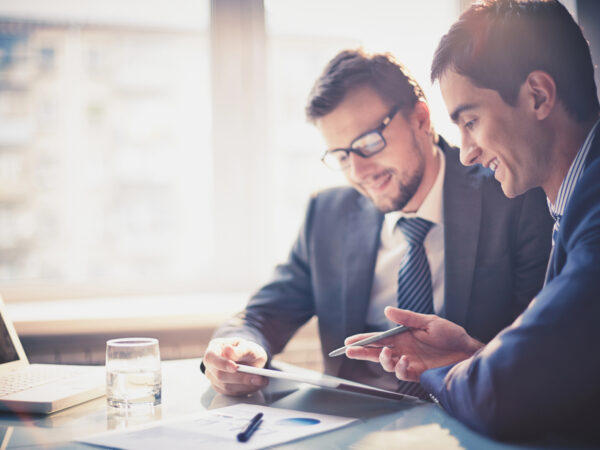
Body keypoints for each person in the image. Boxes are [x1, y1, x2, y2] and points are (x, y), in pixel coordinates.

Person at [202, 49, 552, 400]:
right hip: (351, 426)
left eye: (368, 143)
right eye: (341, 155)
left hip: (467, 416)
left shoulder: (512, 195)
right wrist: (236, 347)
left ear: (420, 119)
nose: (358, 172)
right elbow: (265, 313)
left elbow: (539, 352)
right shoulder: (327, 214)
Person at [345, 0, 600, 442]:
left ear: (538, 95)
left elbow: (499, 394)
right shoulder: (571, 204)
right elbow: (562, 375)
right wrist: (474, 354)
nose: (466, 153)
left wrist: (444, 371)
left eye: (471, 121)